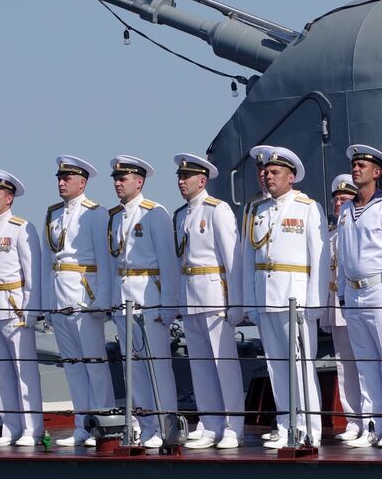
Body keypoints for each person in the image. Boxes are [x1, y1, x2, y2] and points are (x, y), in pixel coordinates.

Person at [238, 146, 327, 447]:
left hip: (295, 298)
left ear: (291, 177)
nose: (268, 176)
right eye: (266, 172)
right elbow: (248, 261)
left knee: (301, 366)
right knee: (276, 366)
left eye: (275, 172)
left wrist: (315, 303)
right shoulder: (257, 211)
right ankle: (287, 425)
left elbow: (319, 259)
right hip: (266, 297)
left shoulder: (307, 208)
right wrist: (251, 303)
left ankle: (310, 429)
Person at [107, 155, 180, 449]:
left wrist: (168, 304)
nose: (118, 183)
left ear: (139, 182)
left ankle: (167, 427)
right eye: (116, 179)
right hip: (124, 299)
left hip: (149, 298)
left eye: (123, 179)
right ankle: (146, 426)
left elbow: (168, 263)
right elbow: (114, 263)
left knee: (157, 366)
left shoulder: (155, 213)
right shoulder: (115, 216)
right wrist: (112, 302)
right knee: (133, 369)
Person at [337, 144, 382, 448]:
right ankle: (371, 423)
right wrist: (342, 294)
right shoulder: (346, 210)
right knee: (365, 363)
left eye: (362, 165)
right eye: (354, 165)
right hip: (353, 294)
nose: (356, 169)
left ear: (377, 172)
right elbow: (342, 255)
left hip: (379, 289)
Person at [173, 153, 243, 449]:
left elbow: (232, 260)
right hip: (191, 296)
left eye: (186, 177)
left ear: (202, 180)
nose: (181, 181)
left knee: (224, 364)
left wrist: (236, 303)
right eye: (179, 177)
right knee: (200, 365)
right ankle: (210, 423)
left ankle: (233, 425)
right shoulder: (181, 215)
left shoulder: (218, 210)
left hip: (215, 297)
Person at [42, 156, 114, 447]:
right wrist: (47, 304)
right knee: (72, 366)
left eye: (67, 178)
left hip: (85, 299)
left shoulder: (96, 214)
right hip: (59, 298)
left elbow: (105, 260)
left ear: (81, 183)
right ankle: (82, 426)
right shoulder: (53, 214)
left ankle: (103, 424)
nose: (61, 182)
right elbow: (48, 263)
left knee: (95, 365)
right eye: (59, 178)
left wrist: (103, 300)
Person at [0, 169, 44, 446]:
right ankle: (10, 428)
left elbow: (33, 274)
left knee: (23, 370)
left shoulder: (21, 228)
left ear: (9, 198)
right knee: (1, 372)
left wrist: (31, 311)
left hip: (14, 308)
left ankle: (32, 429)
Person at [325, 174, 364, 441]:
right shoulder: (330, 235)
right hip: (338, 306)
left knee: (367, 363)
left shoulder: (358, 229)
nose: (339, 203)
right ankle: (353, 419)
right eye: (336, 199)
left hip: (360, 300)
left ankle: (372, 418)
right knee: (345, 364)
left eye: (344, 198)